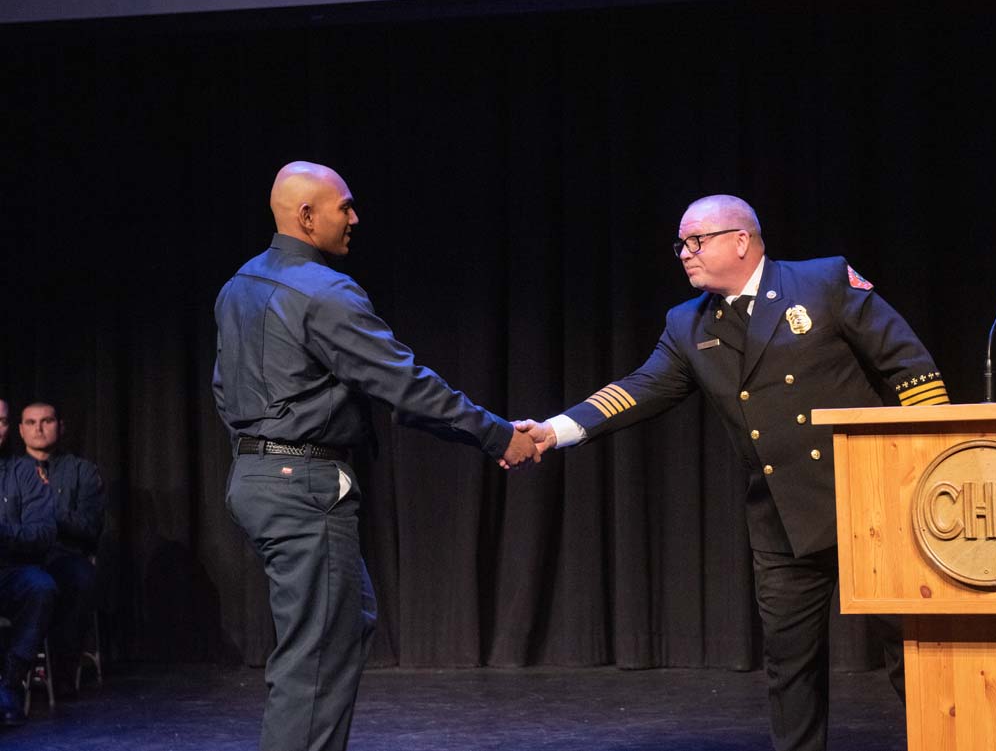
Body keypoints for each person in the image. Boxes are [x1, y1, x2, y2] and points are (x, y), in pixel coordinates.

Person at [516, 195, 950, 751]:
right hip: (781, 517)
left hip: (872, 503)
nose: (684, 255)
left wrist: (934, 466)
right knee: (789, 662)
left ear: (741, 241)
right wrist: (554, 430)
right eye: (680, 244)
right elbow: (638, 389)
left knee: (909, 650)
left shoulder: (822, 283)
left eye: (695, 242)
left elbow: (909, 367)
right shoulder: (687, 323)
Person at [212, 161, 540, 751]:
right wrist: (497, 434)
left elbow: (225, 388)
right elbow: (404, 383)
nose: (355, 217)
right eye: (345, 206)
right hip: (304, 481)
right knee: (315, 657)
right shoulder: (324, 291)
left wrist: (264, 449)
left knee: (342, 629)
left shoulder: (240, 284)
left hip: (258, 477)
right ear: (307, 216)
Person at [18, 402, 104, 697]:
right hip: (22, 558)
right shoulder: (11, 472)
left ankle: (63, 672)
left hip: (64, 556)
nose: (38, 428)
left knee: (79, 579)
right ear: (20, 429)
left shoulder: (82, 471)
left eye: (46, 421)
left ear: (60, 426)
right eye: (30, 422)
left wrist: (48, 504)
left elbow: (90, 528)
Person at [0, 398, 58, 727]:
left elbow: (44, 531)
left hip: (9, 570)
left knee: (41, 586)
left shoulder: (23, 472)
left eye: (3, 421)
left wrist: (3, 533)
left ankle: (10, 683)